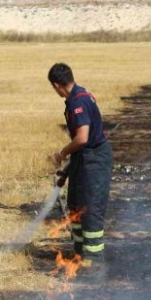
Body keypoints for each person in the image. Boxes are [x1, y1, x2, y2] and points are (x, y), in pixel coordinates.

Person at [48, 63, 113, 265]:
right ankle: (78, 253)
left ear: (57, 85)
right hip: (83, 159)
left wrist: (61, 154)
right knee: (75, 203)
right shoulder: (79, 95)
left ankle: (93, 261)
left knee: (90, 209)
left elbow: (82, 138)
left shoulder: (78, 103)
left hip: (94, 159)